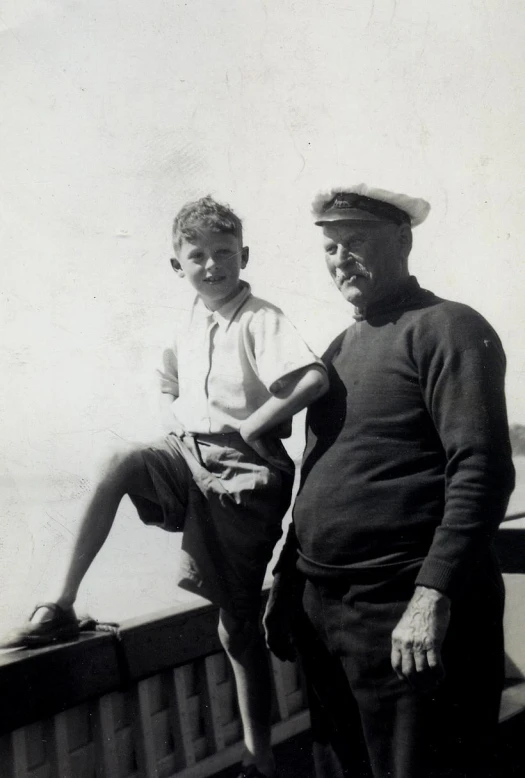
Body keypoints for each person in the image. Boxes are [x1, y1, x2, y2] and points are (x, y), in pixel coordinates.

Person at [1, 196, 329, 778]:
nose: (211, 265)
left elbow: (311, 378)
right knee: (119, 458)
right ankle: (62, 603)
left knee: (235, 626)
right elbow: (165, 384)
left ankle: (261, 758)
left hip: (245, 474)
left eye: (223, 253)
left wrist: (252, 426)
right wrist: (172, 422)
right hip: (189, 454)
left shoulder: (260, 316)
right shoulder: (183, 323)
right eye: (197, 255)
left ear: (243, 255)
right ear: (178, 266)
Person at [264, 184, 515, 778]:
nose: (340, 258)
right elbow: (316, 470)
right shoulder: (337, 349)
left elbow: (481, 469)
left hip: (405, 611)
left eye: (356, 241)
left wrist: (431, 595)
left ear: (403, 239)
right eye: (330, 246)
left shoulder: (448, 327)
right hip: (323, 611)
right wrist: (284, 580)